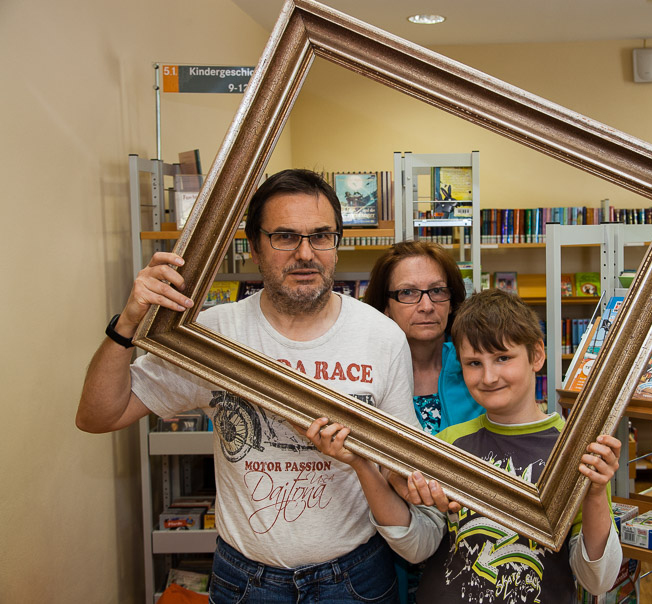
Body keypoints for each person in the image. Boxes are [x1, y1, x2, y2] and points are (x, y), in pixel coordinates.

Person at [76, 169, 428, 603]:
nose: (306, 253)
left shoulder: (381, 336)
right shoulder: (211, 335)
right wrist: (127, 322)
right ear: (255, 248)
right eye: (285, 236)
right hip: (246, 583)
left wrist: (430, 485)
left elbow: (400, 463)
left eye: (321, 235)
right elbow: (99, 415)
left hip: (356, 579)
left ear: (337, 243)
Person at [404, 289, 623, 602]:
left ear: (536, 355)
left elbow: (597, 580)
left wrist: (596, 494)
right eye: (474, 363)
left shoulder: (574, 449)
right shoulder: (450, 442)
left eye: (502, 358)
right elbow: (417, 545)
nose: (489, 377)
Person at [364, 241, 483, 436]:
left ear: (452, 303)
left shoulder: (479, 365)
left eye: (437, 291)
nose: (426, 306)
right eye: (408, 293)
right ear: (385, 307)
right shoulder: (366, 373)